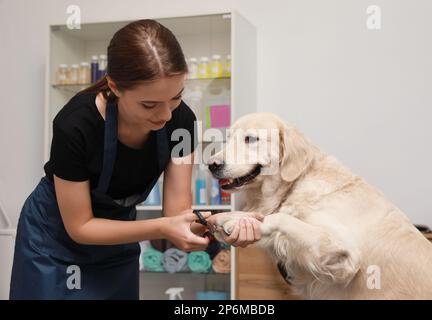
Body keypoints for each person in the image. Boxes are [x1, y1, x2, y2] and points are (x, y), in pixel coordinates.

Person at [9, 19, 263, 300]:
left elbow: (177, 214)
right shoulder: (75, 125)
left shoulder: (182, 123)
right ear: (115, 87)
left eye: (176, 97)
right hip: (54, 244)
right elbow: (80, 227)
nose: (166, 115)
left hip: (118, 241)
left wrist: (220, 224)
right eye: (149, 105)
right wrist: (160, 227)